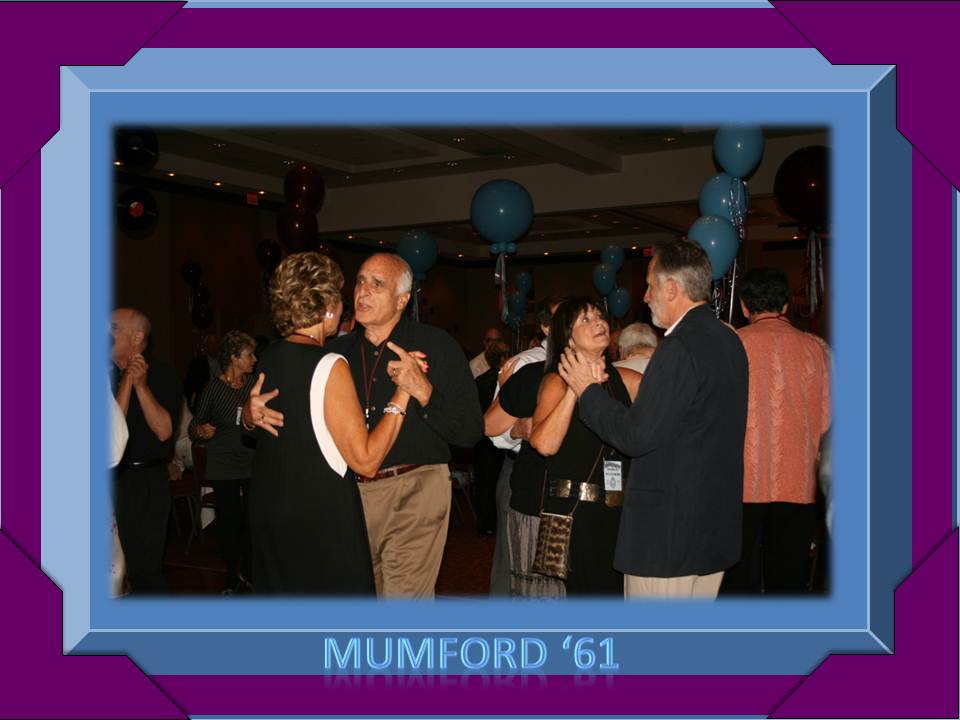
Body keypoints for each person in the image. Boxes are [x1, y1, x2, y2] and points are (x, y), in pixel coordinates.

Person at [248, 253, 483, 598]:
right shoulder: (333, 353)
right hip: (347, 497)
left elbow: (470, 432)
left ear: (402, 300)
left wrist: (423, 391)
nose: (363, 291)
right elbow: (289, 420)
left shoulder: (437, 346)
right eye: (359, 281)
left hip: (413, 489)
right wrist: (248, 416)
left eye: (377, 284)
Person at [559, 239, 748, 600]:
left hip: (669, 536)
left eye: (649, 286)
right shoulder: (728, 340)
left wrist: (587, 391)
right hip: (711, 529)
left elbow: (637, 435)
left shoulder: (679, 347)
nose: (645, 297)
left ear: (672, 288)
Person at [242, 252, 415, 594]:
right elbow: (366, 460)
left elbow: (270, 427)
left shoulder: (270, 356)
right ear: (327, 308)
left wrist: (245, 419)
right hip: (318, 520)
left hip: (270, 512)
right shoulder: (329, 363)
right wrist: (403, 392)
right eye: (338, 295)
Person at [721, 267, 831, 595]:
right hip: (798, 481)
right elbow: (827, 419)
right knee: (789, 579)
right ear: (784, 305)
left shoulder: (733, 345)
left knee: (737, 579)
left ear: (744, 306)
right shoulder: (815, 349)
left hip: (741, 481)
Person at [530, 299, 641, 595]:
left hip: (619, 512)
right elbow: (544, 444)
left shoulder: (625, 380)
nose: (599, 322)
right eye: (585, 320)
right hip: (577, 514)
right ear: (567, 338)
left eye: (599, 316)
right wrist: (575, 388)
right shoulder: (555, 382)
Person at [483, 296, 563, 596]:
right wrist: (519, 430)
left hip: (562, 478)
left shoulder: (586, 365)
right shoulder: (525, 364)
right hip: (520, 470)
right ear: (545, 327)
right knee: (512, 565)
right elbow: (493, 430)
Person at [111, 308, 181, 594]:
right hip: (108, 480)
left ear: (137, 337)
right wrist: (125, 381)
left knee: (144, 570)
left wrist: (140, 386)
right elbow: (108, 433)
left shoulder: (162, 373)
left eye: (114, 327)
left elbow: (164, 432)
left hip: (147, 483)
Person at [188, 330, 259, 594]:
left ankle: (250, 573)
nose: (254, 359)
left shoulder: (254, 385)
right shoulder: (213, 388)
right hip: (224, 463)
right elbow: (194, 427)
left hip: (252, 461)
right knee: (230, 521)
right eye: (249, 354)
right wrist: (201, 431)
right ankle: (231, 575)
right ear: (233, 358)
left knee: (253, 520)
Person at [474, 340, 510, 535]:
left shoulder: (479, 381)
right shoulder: (507, 381)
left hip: (481, 440)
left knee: (483, 482)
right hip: (500, 437)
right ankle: (495, 523)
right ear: (505, 357)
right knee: (497, 481)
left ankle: (483, 523)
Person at [183, 333, 220, 411]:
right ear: (206, 346)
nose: (214, 346)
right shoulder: (197, 363)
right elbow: (188, 386)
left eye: (216, 343)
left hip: (220, 402)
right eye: (211, 343)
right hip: (203, 404)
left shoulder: (225, 363)